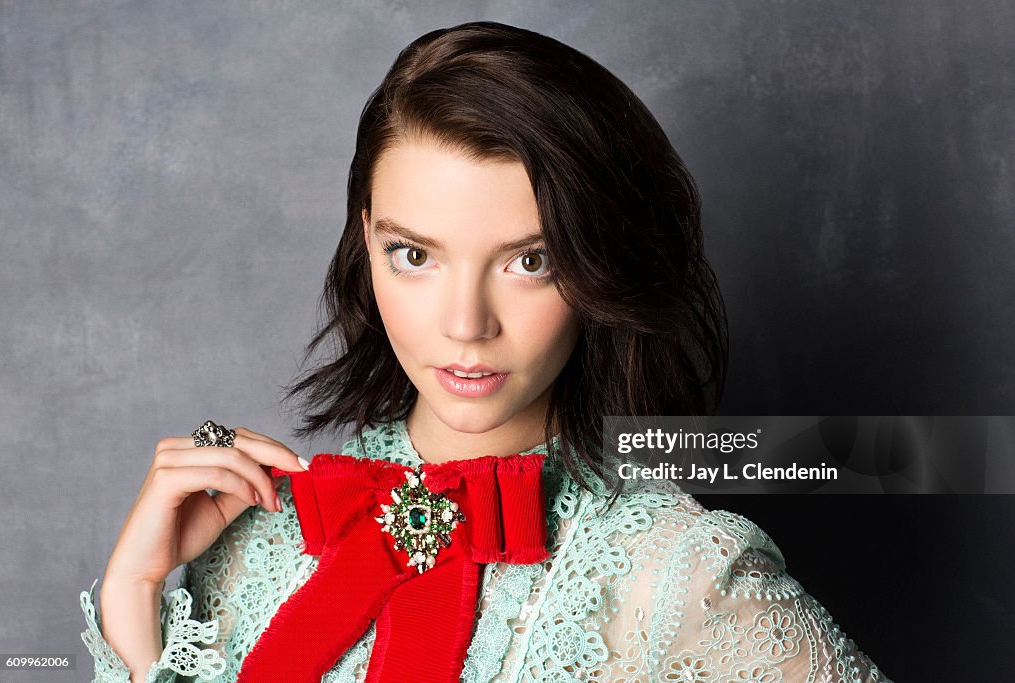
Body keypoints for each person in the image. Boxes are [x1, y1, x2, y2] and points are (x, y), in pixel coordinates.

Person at [79, 21, 890, 683]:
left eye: (529, 261)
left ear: (597, 268)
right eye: (415, 255)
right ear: (367, 241)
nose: (465, 323)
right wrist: (132, 593)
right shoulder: (259, 542)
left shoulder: (674, 578)